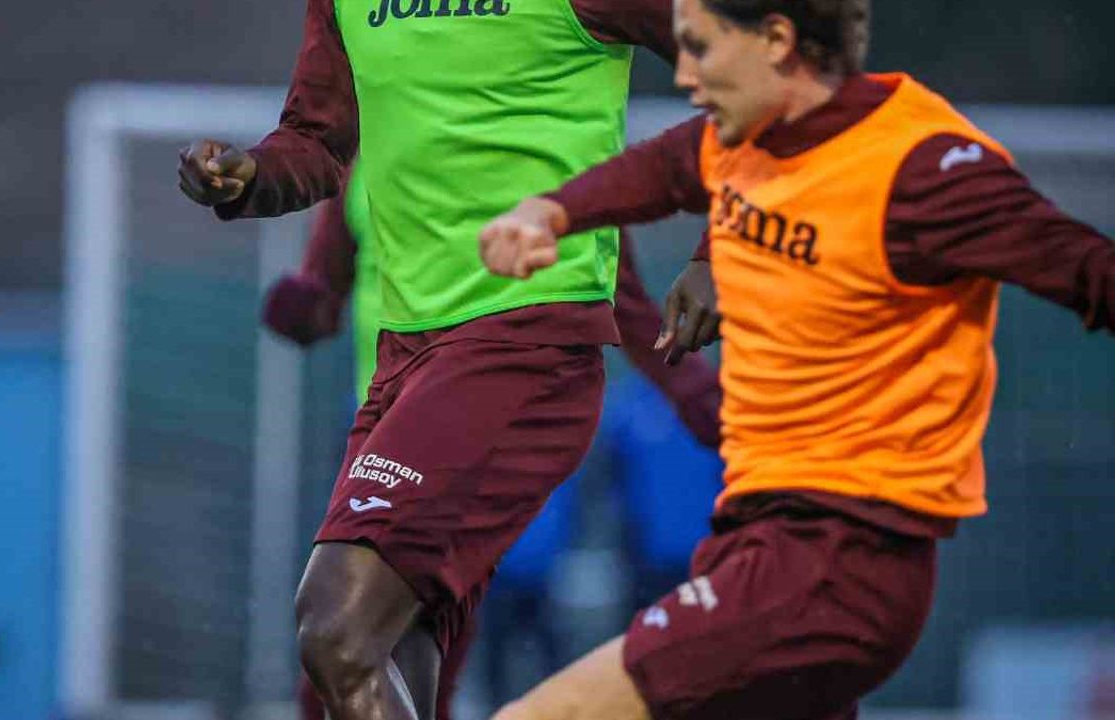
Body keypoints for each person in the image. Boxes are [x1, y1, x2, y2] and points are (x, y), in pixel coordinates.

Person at [477, 0, 1115, 717]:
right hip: (759, 542)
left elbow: (1090, 272)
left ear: (777, 40)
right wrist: (552, 212)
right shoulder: (749, 139)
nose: (684, 75)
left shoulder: (923, 167)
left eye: (701, 48)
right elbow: (658, 169)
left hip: (837, 559)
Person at [263, 161, 722, 719]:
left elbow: (622, 298)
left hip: (473, 436)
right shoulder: (365, 159)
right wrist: (305, 305)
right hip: (373, 433)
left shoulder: (545, 150)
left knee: (365, 641)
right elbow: (325, 288)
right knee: (358, 650)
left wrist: (703, 401)